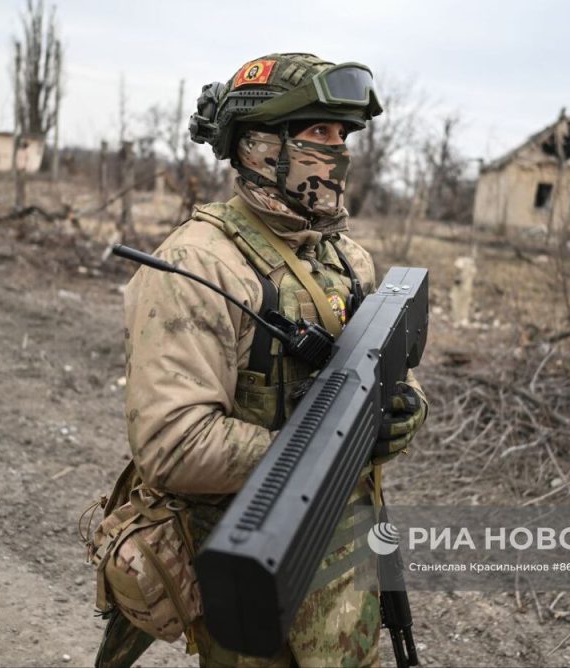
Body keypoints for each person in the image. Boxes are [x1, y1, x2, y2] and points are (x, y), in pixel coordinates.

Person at [105, 53, 428, 668]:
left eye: (343, 135)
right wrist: (324, 449)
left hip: (346, 572)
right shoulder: (199, 266)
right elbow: (172, 444)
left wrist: (405, 407)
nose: (338, 151)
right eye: (318, 133)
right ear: (258, 146)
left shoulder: (344, 258)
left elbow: (386, 369)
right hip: (253, 573)